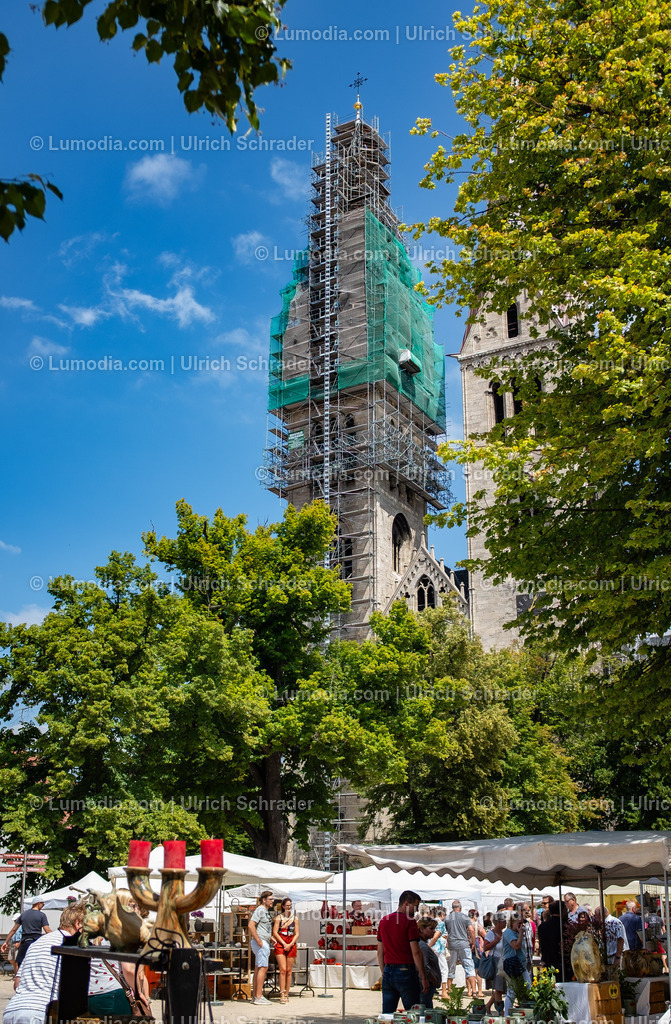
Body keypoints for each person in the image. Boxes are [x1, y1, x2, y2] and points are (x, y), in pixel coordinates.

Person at [3, 901, 85, 1024]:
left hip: (13, 1010)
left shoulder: (37, 943)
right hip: (42, 1011)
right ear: (78, 923)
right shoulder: (71, 945)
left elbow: (17, 984)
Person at [377, 889, 429, 1013]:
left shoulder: (384, 921)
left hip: (389, 970)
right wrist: (423, 976)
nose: (416, 910)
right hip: (406, 971)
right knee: (413, 1013)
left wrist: (384, 972)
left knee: (387, 1014)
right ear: (406, 904)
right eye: (415, 906)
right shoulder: (409, 922)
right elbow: (416, 952)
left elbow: (380, 951)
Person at [1, 899, 51, 968]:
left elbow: (14, 930)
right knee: (35, 965)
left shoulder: (23, 914)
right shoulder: (42, 915)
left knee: (21, 965)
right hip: (36, 943)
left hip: (24, 943)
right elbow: (47, 930)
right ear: (38, 903)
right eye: (43, 904)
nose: (43, 906)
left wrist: (6, 942)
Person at [248, 890, 274, 1006]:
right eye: (271, 899)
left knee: (259, 968)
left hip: (263, 941)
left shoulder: (265, 911)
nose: (272, 901)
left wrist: (270, 937)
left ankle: (255, 996)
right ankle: (258, 996)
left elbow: (263, 927)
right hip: (261, 943)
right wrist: (258, 940)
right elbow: (251, 925)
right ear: (264, 900)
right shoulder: (260, 910)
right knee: (263, 967)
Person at [445, 900, 476, 996]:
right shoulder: (465, 917)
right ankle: (474, 991)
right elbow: (471, 930)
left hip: (452, 944)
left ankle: (449, 989)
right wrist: (473, 942)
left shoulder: (447, 918)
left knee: (451, 966)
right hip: (464, 944)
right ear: (460, 907)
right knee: (469, 966)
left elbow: (447, 932)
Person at [502, 913, 531, 1015]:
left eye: (521, 924)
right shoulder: (508, 933)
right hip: (513, 965)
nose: (520, 926)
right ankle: (507, 1014)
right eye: (518, 923)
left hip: (521, 965)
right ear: (512, 923)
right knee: (512, 991)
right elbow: (516, 946)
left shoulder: (518, 932)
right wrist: (520, 934)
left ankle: (525, 1011)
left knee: (528, 988)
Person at [272, 897, 299, 1004]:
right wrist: (284, 944)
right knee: (282, 969)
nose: (289, 907)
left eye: (290, 905)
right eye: (287, 905)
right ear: (283, 906)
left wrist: (290, 944)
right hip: (281, 941)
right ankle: (282, 993)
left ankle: (287, 993)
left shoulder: (295, 918)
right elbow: (275, 932)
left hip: (291, 941)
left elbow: (297, 933)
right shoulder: (278, 918)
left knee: (289, 970)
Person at [538, 900, 571, 980]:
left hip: (548, 962)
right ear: (562, 910)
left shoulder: (542, 927)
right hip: (563, 964)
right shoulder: (566, 926)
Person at [482, 911, 507, 1014]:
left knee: (499, 988)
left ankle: (488, 1006)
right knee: (498, 987)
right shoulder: (490, 934)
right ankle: (500, 1011)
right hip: (496, 962)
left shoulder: (505, 933)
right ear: (498, 922)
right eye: (504, 921)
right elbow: (485, 947)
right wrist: (496, 940)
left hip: (503, 962)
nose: (505, 923)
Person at [417, 917, 442, 1009]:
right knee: (426, 1009)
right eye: (431, 929)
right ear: (422, 929)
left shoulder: (423, 944)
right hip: (426, 984)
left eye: (434, 929)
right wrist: (432, 978)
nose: (433, 931)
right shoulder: (422, 945)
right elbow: (424, 964)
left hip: (427, 984)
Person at [428, 907, 449, 1000]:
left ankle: (431, 991)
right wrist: (429, 946)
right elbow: (436, 936)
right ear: (442, 915)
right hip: (438, 948)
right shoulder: (440, 923)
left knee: (431, 969)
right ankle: (444, 992)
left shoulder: (429, 922)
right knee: (444, 969)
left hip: (432, 948)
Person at [469, 909, 487, 996]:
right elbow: (486, 935)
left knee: (469, 970)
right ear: (475, 916)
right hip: (476, 950)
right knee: (478, 970)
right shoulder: (477, 925)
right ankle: (479, 991)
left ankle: (470, 990)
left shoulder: (465, 924)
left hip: (467, 948)